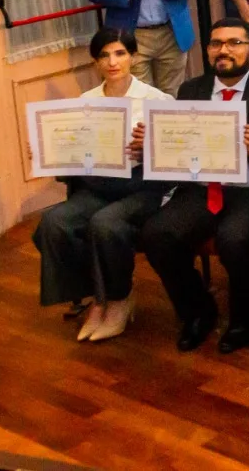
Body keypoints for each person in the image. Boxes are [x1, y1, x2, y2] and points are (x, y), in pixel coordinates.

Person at [136, 17, 249, 353]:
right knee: (157, 233)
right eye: (215, 43)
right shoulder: (191, 89)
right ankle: (197, 311)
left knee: (234, 237)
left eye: (234, 43)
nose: (223, 50)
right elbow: (179, 146)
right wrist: (157, 142)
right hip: (203, 187)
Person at [33, 28, 169, 339]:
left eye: (120, 53)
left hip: (142, 185)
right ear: (95, 61)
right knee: (54, 222)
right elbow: (76, 152)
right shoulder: (85, 101)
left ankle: (119, 298)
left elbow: (172, 157)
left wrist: (148, 148)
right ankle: (98, 296)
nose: (112, 61)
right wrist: (49, 150)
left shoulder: (156, 99)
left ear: (132, 57)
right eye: (104, 55)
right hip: (99, 184)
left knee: (104, 224)